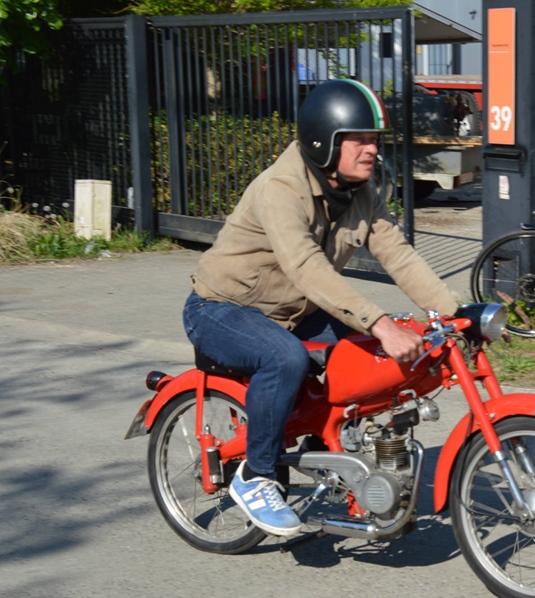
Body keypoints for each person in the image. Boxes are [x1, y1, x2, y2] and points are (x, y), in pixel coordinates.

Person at [182, 79, 459, 537]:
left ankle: (341, 457)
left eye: (375, 139)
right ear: (324, 141)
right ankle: (256, 476)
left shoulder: (360, 192)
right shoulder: (281, 188)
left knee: (372, 355)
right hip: (222, 307)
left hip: (296, 312)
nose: (373, 150)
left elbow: (399, 256)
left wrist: (456, 313)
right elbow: (306, 267)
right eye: (360, 139)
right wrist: (380, 321)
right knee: (285, 358)